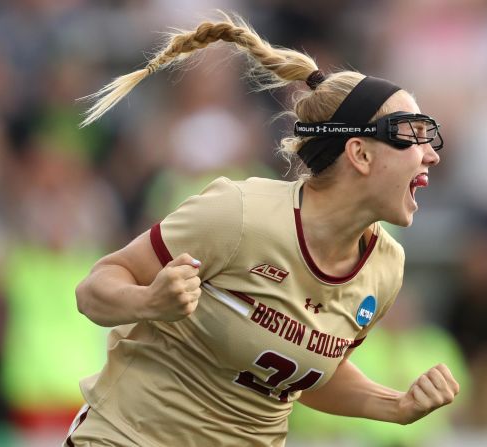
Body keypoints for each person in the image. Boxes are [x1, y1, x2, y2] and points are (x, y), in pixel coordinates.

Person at [67, 14, 459, 447]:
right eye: (411, 134)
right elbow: (93, 290)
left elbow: (306, 373)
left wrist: (396, 406)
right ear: (360, 154)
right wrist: (147, 300)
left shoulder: (386, 267)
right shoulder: (239, 213)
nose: (431, 156)